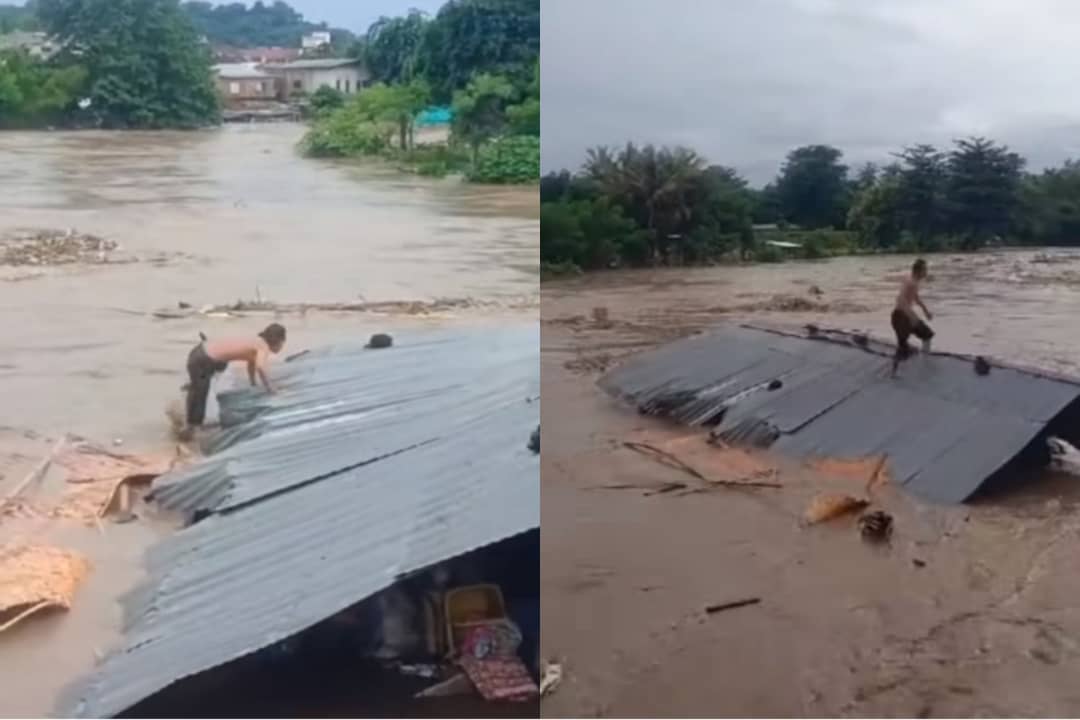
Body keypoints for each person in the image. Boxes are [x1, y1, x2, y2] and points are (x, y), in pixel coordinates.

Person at [184, 323, 287, 434]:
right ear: (279, 341)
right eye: (283, 343)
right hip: (203, 359)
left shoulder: (257, 342)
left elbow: (251, 364)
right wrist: (271, 388)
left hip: (201, 353)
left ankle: (190, 419)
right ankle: (192, 429)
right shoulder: (263, 346)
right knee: (200, 394)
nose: (282, 346)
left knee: (200, 389)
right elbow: (261, 367)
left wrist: (253, 383)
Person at [891, 258, 933, 377]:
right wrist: (912, 316)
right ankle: (895, 372)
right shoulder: (911, 282)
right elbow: (900, 299)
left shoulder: (913, 281)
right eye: (925, 270)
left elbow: (916, 298)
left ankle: (925, 362)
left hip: (903, 316)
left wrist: (925, 311)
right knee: (903, 347)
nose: (926, 272)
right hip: (900, 317)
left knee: (927, 335)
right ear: (919, 271)